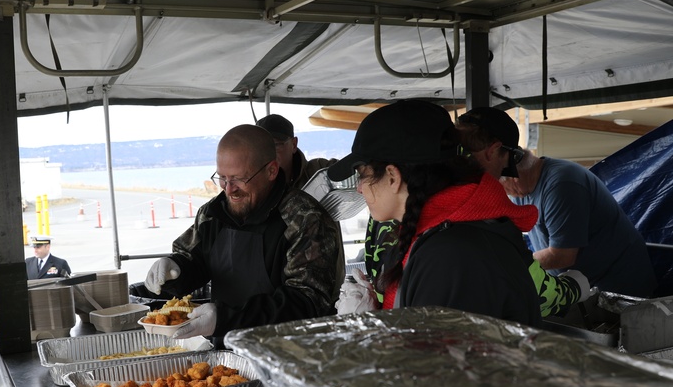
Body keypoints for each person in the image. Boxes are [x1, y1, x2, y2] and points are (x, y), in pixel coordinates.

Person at [329, 99, 546, 325]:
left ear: (393, 176)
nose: (359, 187)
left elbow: (432, 358)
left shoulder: (451, 257)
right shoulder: (439, 237)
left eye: (362, 174)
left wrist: (365, 331)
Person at [145, 124, 342, 344]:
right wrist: (175, 269)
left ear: (271, 171)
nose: (229, 189)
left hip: (287, 355)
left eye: (239, 179)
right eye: (222, 178)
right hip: (227, 352)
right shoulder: (212, 214)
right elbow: (195, 259)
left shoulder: (304, 219)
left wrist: (226, 318)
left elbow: (307, 301)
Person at [458, 107, 656, 298]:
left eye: (496, 181)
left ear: (512, 173)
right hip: (582, 287)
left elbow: (562, 256)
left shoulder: (562, 183)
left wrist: (507, 264)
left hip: (619, 290)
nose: (496, 191)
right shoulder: (519, 192)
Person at [256, 113, 334, 190]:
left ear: (293, 144)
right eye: (261, 147)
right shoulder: (252, 185)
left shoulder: (318, 171)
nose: (268, 153)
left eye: (276, 145)